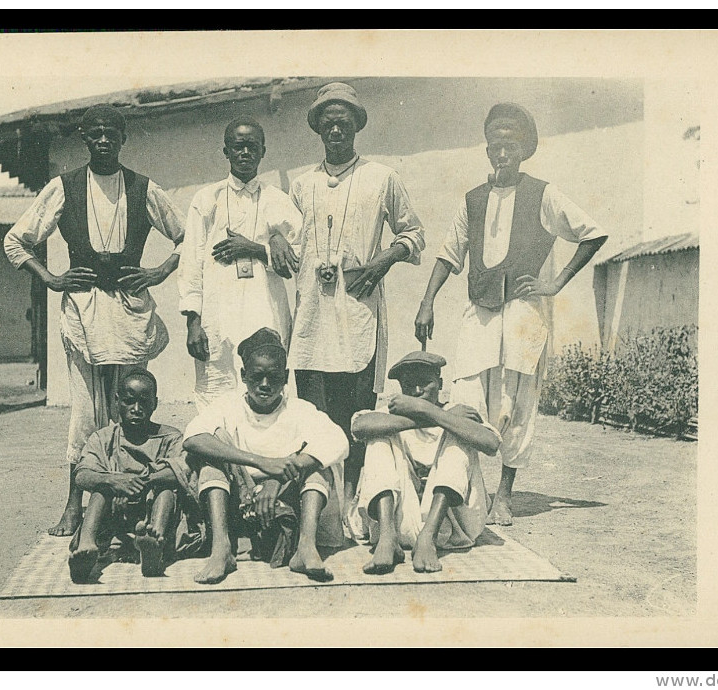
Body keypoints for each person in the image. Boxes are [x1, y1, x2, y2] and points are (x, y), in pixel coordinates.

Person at [414, 102, 608, 526]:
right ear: (487, 149)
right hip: (480, 313)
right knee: (468, 400)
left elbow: (592, 233)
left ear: (523, 150)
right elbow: (450, 254)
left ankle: (504, 494)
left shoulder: (543, 193)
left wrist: (554, 285)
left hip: (523, 316)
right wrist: (427, 301)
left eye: (511, 146)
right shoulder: (473, 199)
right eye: (496, 145)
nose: (503, 153)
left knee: (517, 404)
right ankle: (473, 489)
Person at [3, 104, 185, 537]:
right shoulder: (63, 187)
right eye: (95, 134)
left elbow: (188, 234)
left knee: (134, 407)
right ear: (84, 138)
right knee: (86, 413)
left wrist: (158, 271)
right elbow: (17, 240)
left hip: (130, 312)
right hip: (83, 311)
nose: (103, 140)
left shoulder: (143, 188)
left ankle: (134, 500)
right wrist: (50, 278)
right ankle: (74, 503)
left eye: (111, 133)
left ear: (123, 138)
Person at [266, 82, 426, 525]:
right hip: (314, 314)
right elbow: (278, 228)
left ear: (356, 126)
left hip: (358, 309)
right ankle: (325, 507)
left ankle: (357, 503)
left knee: (356, 414)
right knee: (314, 415)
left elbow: (413, 234)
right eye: (328, 123)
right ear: (318, 129)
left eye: (345, 122)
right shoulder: (301, 185)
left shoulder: (382, 178)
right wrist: (276, 236)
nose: (336, 129)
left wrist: (383, 261)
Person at [183, 328, 349, 585]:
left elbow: (337, 440)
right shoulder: (228, 405)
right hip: (239, 499)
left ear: (285, 378)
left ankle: (305, 548)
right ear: (243, 376)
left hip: (286, 500)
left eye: (273, 377)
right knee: (209, 463)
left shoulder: (299, 409)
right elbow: (193, 437)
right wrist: (260, 462)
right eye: (257, 376)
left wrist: (278, 478)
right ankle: (221, 550)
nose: (264, 385)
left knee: (319, 466)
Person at [177, 117, 301, 410]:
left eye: (252, 147)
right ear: (226, 152)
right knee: (218, 385)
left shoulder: (278, 200)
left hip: (265, 308)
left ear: (263, 152)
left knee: (263, 381)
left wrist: (257, 248)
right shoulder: (207, 199)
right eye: (238, 147)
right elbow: (191, 262)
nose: (245, 153)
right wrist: (193, 321)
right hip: (219, 311)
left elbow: (299, 258)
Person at [351, 351, 500, 574]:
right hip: (398, 519)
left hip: (451, 525)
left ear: (440, 383)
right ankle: (387, 538)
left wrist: (430, 411)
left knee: (459, 436)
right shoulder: (396, 412)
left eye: (425, 383)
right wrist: (424, 415)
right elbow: (359, 427)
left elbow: (490, 443)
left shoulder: (456, 411)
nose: (417, 391)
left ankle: (427, 538)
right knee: (379, 437)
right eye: (409, 385)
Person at [68, 369, 203, 583]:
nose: (136, 409)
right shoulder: (103, 438)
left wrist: (143, 482)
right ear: (117, 401)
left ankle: (154, 543)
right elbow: (82, 475)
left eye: (144, 403)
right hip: (113, 515)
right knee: (100, 490)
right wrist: (114, 481)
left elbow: (183, 470)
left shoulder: (170, 437)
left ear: (155, 403)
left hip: (157, 513)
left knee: (166, 489)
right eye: (129, 402)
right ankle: (87, 546)